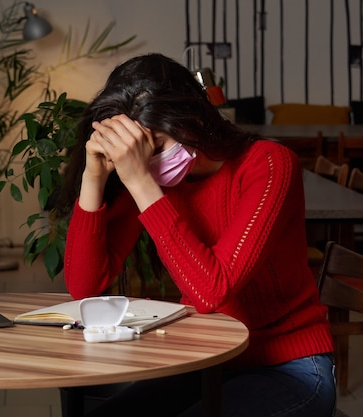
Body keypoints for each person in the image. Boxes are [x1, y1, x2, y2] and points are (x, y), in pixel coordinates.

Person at [59, 53, 336, 417]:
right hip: (208, 359)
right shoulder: (160, 180)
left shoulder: (268, 163)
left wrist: (140, 180)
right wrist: (93, 177)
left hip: (292, 366)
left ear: (189, 117)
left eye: (154, 147)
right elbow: (84, 286)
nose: (146, 162)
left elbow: (212, 290)